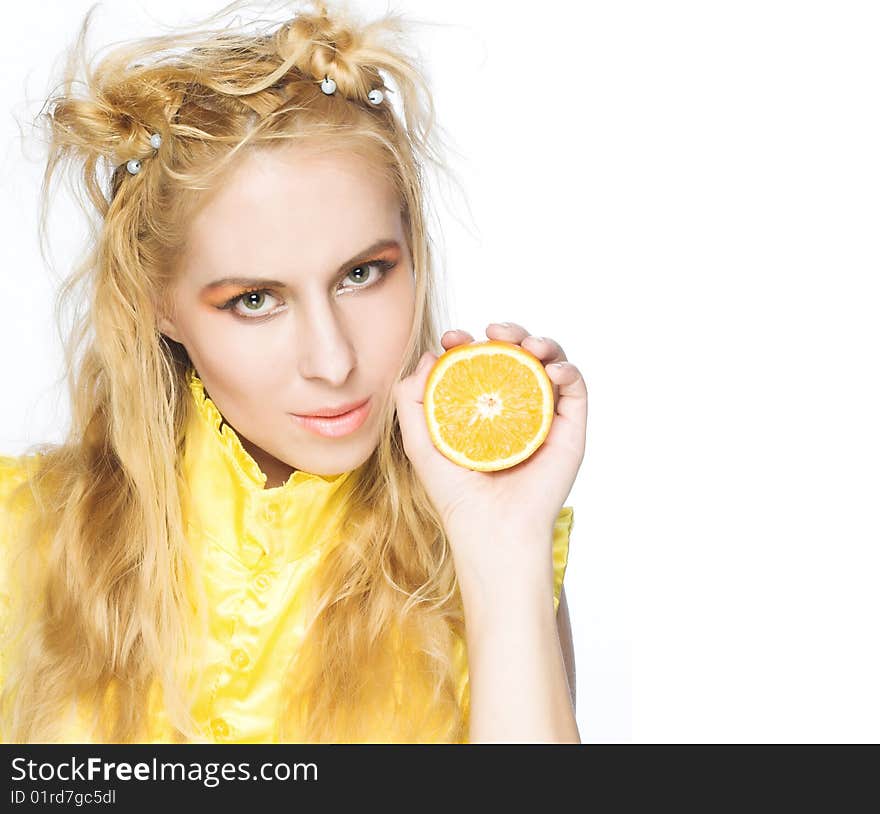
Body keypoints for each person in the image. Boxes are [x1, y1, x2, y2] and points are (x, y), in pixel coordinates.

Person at [0, 0, 586, 743]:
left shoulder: (480, 552)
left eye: (363, 274)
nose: (334, 361)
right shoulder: (20, 535)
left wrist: (502, 553)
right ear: (158, 305)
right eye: (254, 300)